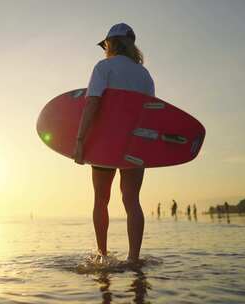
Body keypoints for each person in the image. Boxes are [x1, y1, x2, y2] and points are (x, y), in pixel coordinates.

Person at [73, 23, 155, 262]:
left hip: (105, 144)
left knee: (101, 199)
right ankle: (134, 259)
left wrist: (80, 140)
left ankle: (102, 255)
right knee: (132, 200)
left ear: (111, 44)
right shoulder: (145, 74)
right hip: (134, 144)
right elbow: (150, 113)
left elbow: (92, 103)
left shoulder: (103, 67)